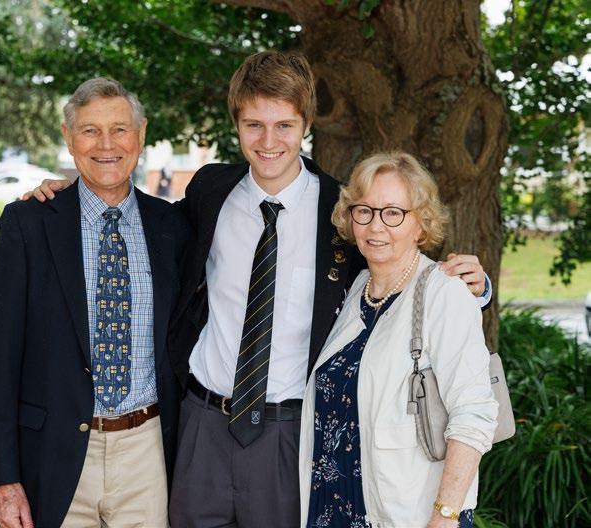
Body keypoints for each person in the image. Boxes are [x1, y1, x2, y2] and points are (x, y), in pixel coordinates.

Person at [28, 51, 491, 527]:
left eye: (284, 126)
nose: (269, 142)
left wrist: (475, 287)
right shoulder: (211, 191)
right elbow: (146, 224)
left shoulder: (341, 212)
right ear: (237, 125)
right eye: (254, 125)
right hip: (203, 425)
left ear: (305, 124)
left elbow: (399, 267)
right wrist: (74, 192)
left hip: (288, 435)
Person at [0, 77, 189, 528]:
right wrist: (5, 477)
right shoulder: (28, 223)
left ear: (141, 134)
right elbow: (1, 361)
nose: (106, 144)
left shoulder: (173, 227)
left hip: (147, 453)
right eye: (90, 130)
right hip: (55, 454)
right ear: (68, 137)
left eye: (119, 129)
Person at [298, 152, 498, 528]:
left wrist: (445, 515)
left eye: (393, 213)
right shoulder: (357, 288)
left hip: (408, 514)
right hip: (334, 507)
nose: (376, 226)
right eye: (364, 211)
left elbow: (474, 414)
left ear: (421, 224)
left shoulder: (444, 292)